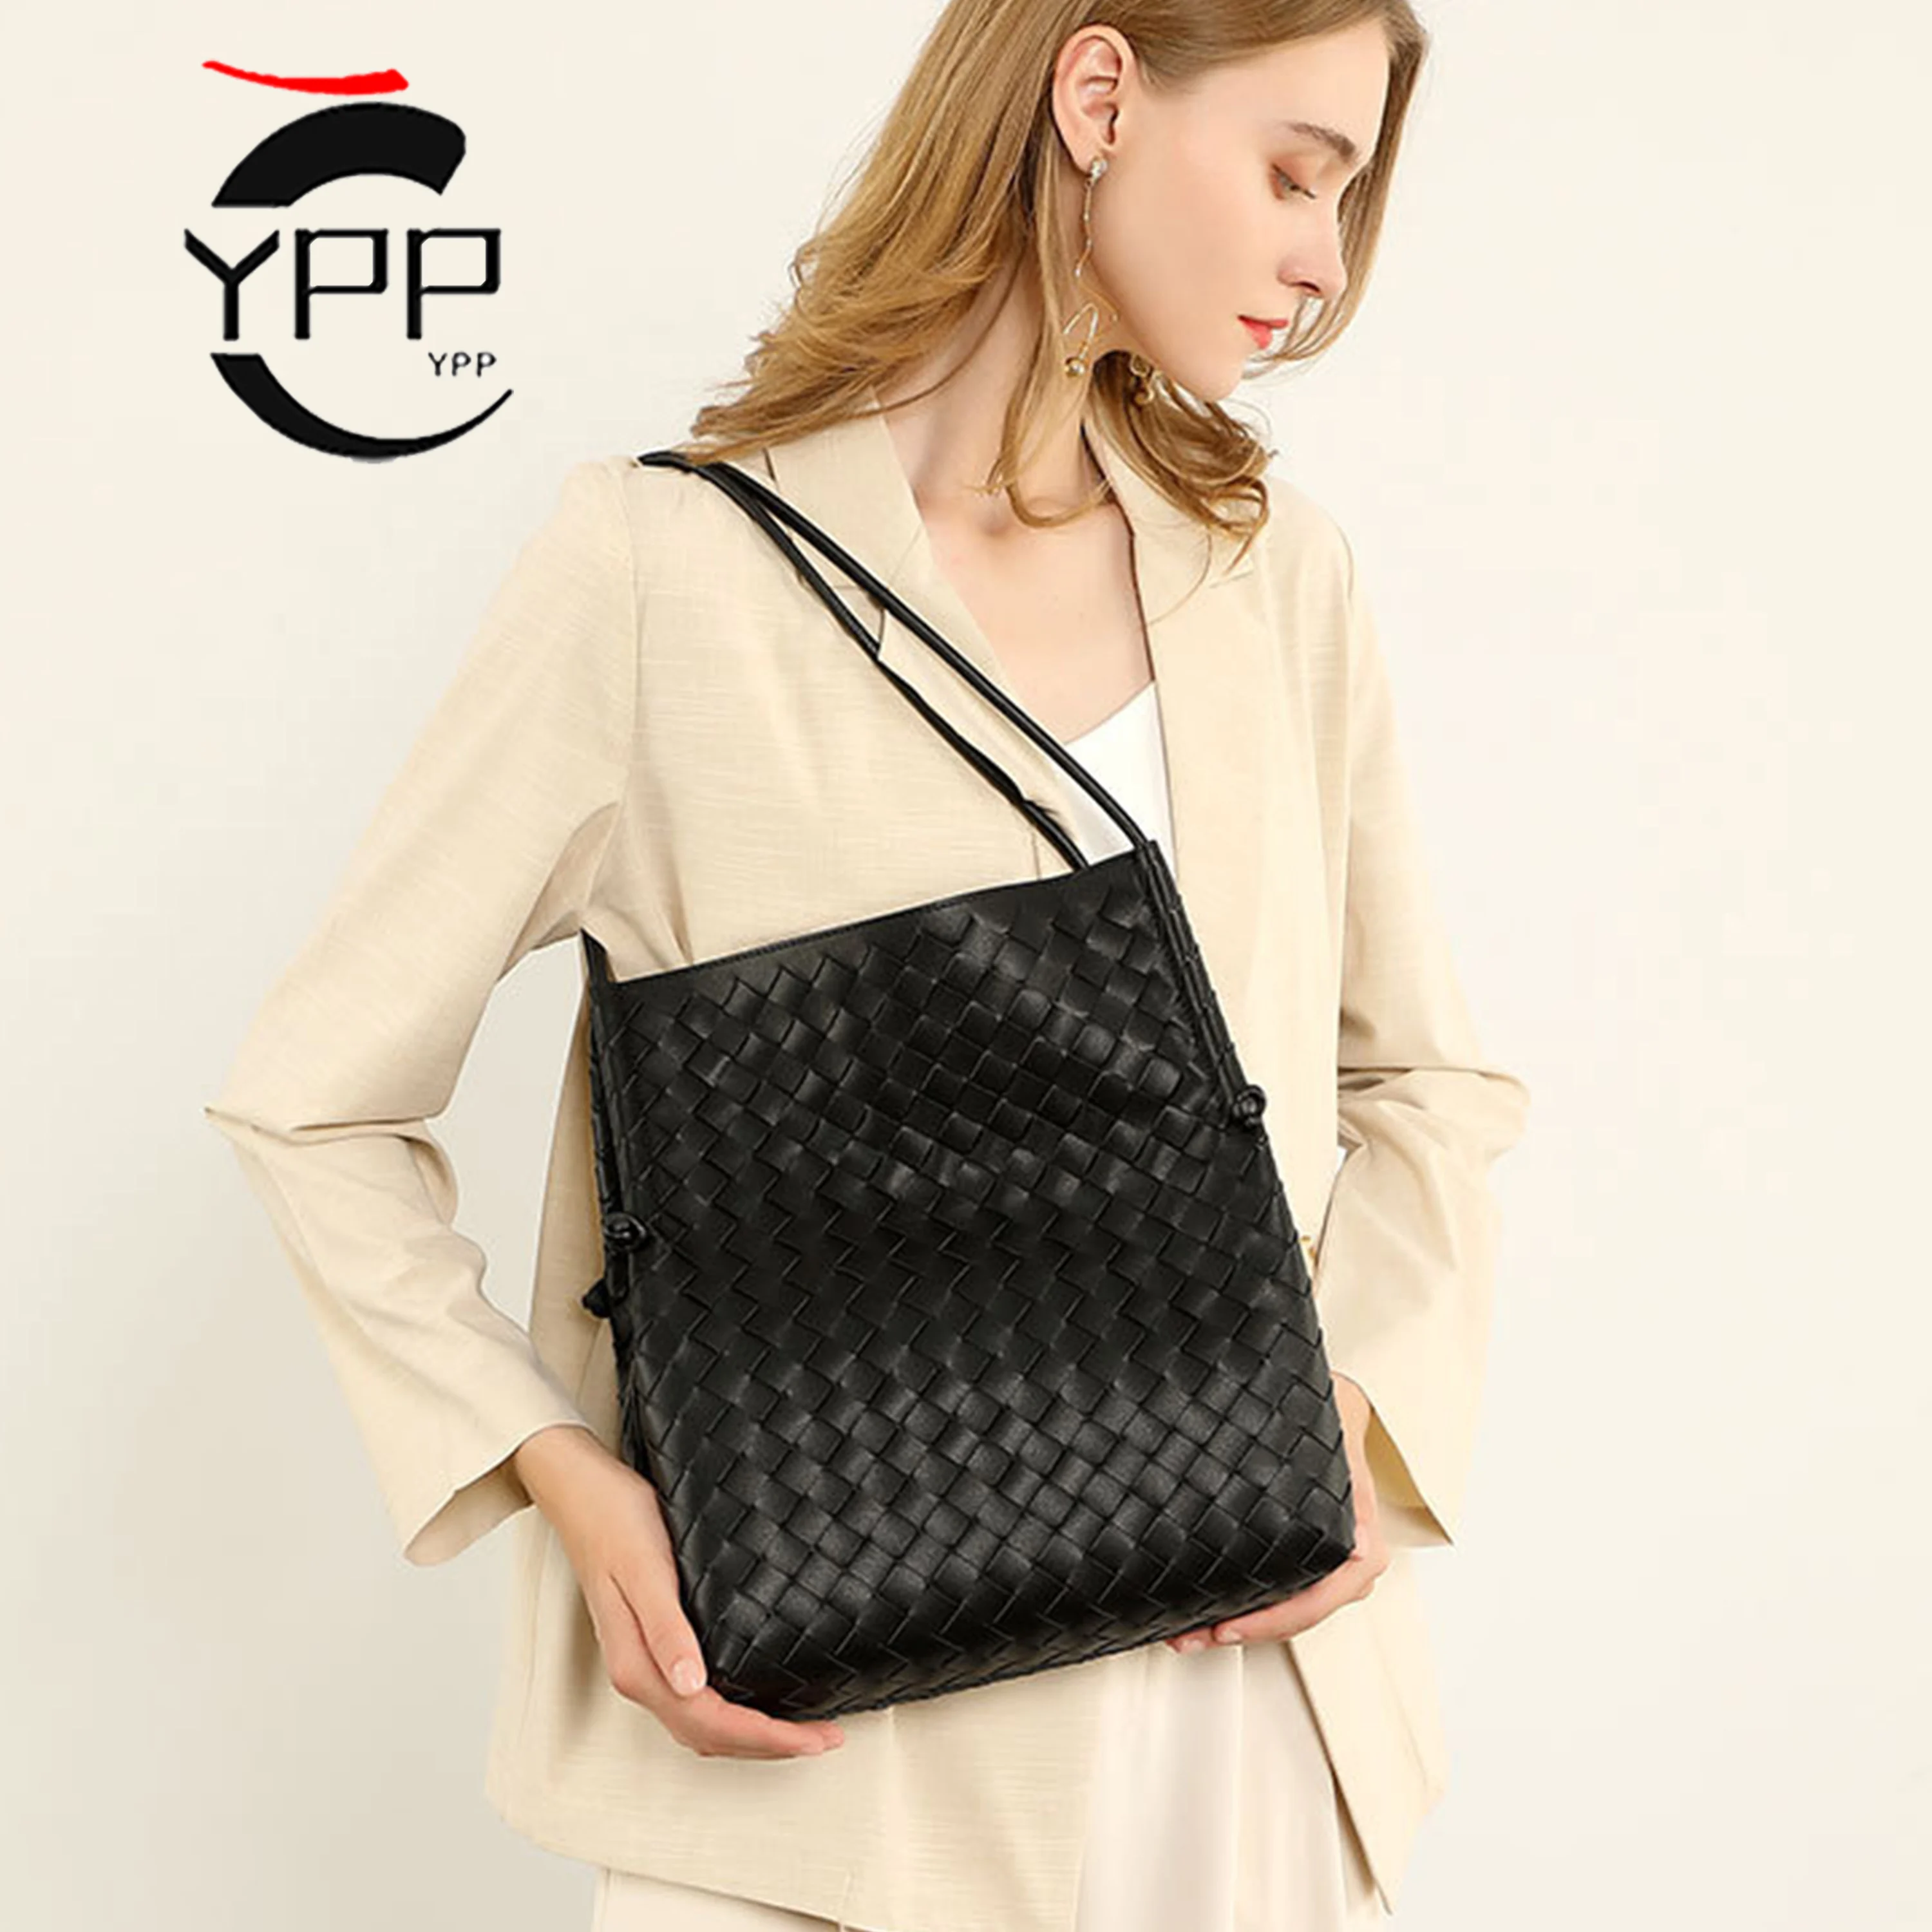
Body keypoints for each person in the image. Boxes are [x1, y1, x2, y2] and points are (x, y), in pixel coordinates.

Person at [204, 4, 1531, 1929]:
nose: (1326, 263)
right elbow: (315, 1100)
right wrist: (559, 1469)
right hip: (829, 1765)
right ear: (1097, 94)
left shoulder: (1269, 574)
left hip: (1233, 1710)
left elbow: (1422, 1079)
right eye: (1295, 174)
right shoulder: (665, 570)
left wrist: (1361, 1414)